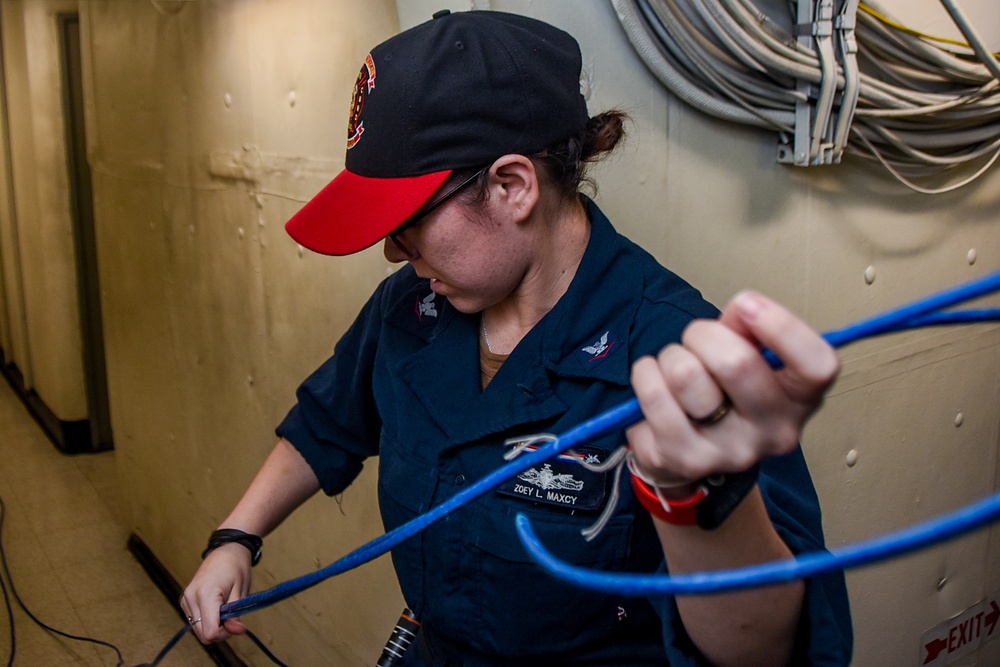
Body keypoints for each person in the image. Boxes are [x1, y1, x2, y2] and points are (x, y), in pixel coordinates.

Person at [181, 9, 852, 666]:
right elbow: (326, 422)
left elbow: (773, 651)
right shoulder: (412, 308)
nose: (392, 252)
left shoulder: (677, 357)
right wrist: (237, 537)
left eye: (407, 221)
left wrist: (703, 496)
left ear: (511, 186)